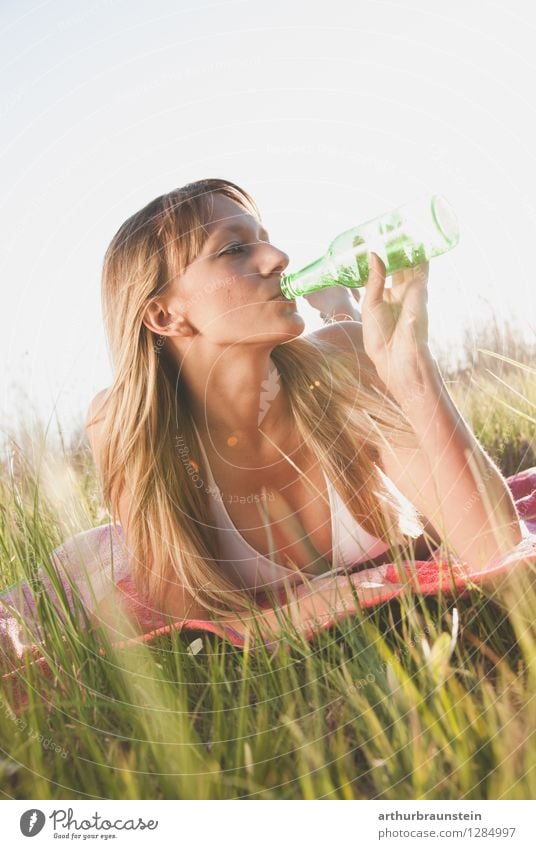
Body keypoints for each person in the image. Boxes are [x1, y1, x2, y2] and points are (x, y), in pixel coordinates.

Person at [86, 178, 523, 644]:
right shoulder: (129, 428)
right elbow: (196, 633)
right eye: (234, 249)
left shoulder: (346, 359)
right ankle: (337, 304)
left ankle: (339, 308)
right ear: (164, 316)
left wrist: (412, 371)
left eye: (264, 238)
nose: (277, 258)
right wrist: (332, 600)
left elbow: (499, 548)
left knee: (346, 333)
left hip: (340, 362)